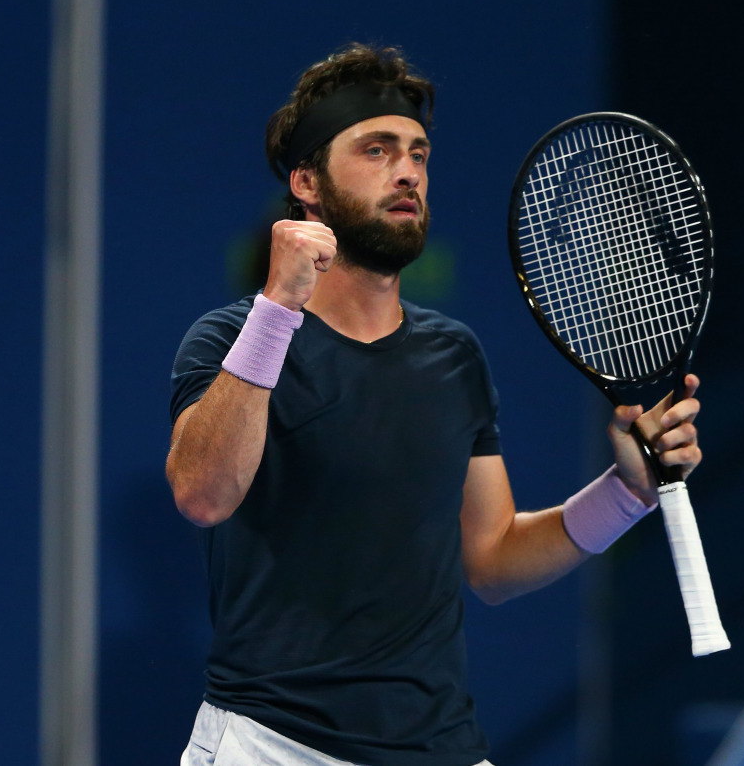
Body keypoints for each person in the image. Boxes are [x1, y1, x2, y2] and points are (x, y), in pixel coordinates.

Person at [167, 43, 704, 766]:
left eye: (418, 154)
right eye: (377, 149)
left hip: (443, 749)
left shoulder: (454, 356)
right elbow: (203, 494)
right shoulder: (233, 338)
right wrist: (277, 308)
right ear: (307, 184)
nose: (407, 173)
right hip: (271, 747)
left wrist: (628, 494)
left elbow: (494, 560)